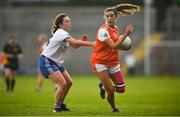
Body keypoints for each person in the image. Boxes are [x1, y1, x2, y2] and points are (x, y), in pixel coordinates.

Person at [38, 13, 95, 112]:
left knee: (69, 82)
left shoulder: (64, 34)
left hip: (56, 63)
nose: (69, 23)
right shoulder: (61, 33)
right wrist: (92, 44)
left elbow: (75, 45)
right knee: (62, 84)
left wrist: (81, 41)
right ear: (60, 24)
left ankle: (61, 104)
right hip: (47, 61)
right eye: (67, 21)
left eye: (70, 21)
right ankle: (56, 108)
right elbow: (75, 43)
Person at [90, 7, 134, 112]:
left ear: (116, 17)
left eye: (112, 16)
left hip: (113, 62)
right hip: (100, 62)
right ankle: (114, 108)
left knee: (121, 89)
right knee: (110, 90)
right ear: (104, 17)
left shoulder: (116, 29)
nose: (109, 18)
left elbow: (115, 46)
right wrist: (126, 34)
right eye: (107, 16)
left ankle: (103, 85)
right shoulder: (103, 31)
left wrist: (124, 46)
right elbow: (113, 46)